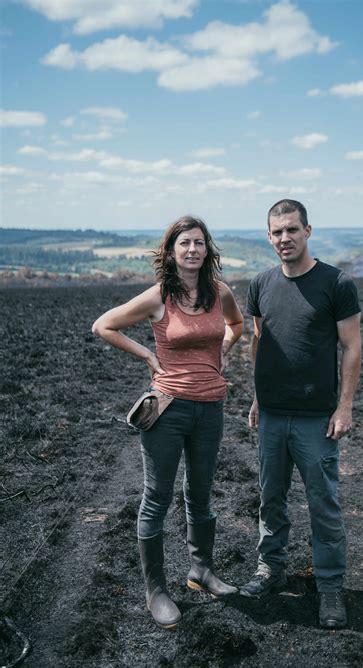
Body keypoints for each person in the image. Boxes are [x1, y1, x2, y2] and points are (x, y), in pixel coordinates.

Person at [92, 216, 243, 630]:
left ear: (208, 249)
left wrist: (221, 352)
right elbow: (103, 325)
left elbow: (237, 325)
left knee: (200, 494)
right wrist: (146, 356)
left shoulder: (221, 294)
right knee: (157, 498)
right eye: (184, 244)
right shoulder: (160, 296)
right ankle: (156, 590)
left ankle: (202, 572)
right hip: (168, 410)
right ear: (172, 252)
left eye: (199, 243)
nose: (192, 250)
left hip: (211, 408)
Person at [239, 199, 361, 630]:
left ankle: (330, 589)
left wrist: (344, 407)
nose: (285, 238)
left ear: (308, 230)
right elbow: (259, 342)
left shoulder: (336, 283)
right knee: (269, 500)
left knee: (322, 505)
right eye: (277, 232)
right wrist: (257, 396)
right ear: (268, 237)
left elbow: (352, 347)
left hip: (316, 419)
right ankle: (271, 570)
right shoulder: (261, 284)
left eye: (292, 229)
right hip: (272, 416)